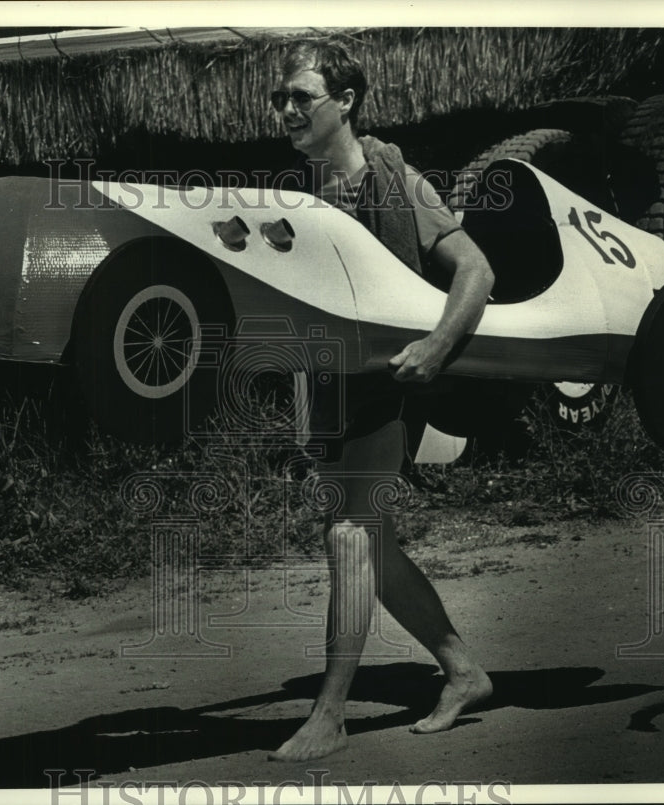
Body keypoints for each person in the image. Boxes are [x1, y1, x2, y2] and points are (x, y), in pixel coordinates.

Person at [266, 40, 496, 763]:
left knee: (350, 536)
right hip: (333, 390)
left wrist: (435, 348)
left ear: (347, 101)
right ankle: (463, 670)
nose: (288, 110)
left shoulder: (395, 181)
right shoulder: (303, 193)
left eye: (302, 97)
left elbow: (476, 270)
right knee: (376, 545)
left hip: (392, 385)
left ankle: (330, 713)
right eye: (282, 99)